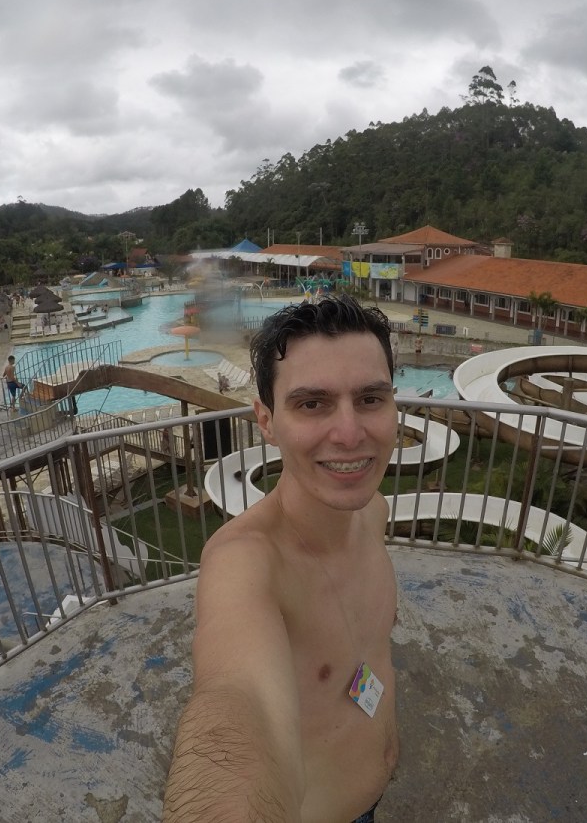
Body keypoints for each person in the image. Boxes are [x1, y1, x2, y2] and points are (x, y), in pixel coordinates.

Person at [165, 296, 399, 823]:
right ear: (266, 422)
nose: (349, 433)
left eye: (370, 398)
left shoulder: (373, 513)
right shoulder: (245, 562)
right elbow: (237, 699)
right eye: (312, 404)